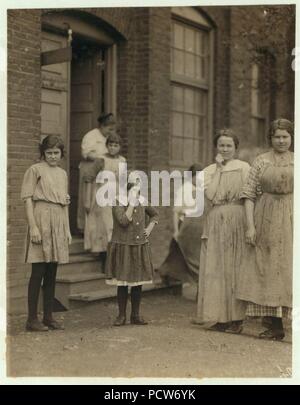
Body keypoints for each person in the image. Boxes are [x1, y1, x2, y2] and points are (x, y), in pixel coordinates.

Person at [237, 119, 293, 341]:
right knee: (268, 268)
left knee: (290, 267)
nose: (281, 141)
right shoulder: (260, 161)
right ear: (270, 138)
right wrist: (251, 226)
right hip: (266, 216)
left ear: (291, 138)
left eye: (285, 137)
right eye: (277, 136)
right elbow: (249, 195)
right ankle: (275, 326)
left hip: (291, 214)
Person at [195, 129, 250, 333]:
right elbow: (211, 195)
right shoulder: (209, 170)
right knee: (216, 269)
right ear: (216, 147)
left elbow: (249, 197)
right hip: (216, 220)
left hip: (237, 218)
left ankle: (237, 319)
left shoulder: (245, 168)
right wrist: (219, 169)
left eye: (229, 146)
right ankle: (220, 317)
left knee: (235, 267)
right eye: (221, 145)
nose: (225, 149)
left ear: (236, 148)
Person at [21, 135, 72, 332]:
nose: (52, 156)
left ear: (61, 154)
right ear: (43, 153)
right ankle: (32, 319)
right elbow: (27, 200)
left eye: (56, 153)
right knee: (38, 271)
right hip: (41, 218)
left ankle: (49, 317)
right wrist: (33, 226)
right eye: (49, 153)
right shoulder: (35, 170)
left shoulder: (62, 174)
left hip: (58, 221)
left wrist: (67, 229)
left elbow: (65, 202)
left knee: (52, 271)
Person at [105, 179, 159, 326]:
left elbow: (154, 215)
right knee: (122, 283)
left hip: (138, 245)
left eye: (138, 190)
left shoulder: (142, 201)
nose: (136, 193)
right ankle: (121, 315)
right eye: (132, 190)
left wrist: (148, 229)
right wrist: (131, 204)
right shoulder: (118, 202)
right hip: (123, 246)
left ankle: (135, 315)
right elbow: (123, 220)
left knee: (137, 282)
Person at [158, 163, 205, 285]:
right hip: (183, 223)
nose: (199, 179)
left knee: (182, 254)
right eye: (197, 176)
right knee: (177, 251)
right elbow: (176, 212)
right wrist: (176, 230)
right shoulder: (185, 189)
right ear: (191, 176)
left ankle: (170, 275)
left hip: (194, 227)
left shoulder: (201, 190)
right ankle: (167, 274)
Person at [82, 133, 126, 263]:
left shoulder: (122, 161)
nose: (113, 148)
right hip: (103, 196)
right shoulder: (101, 160)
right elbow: (88, 178)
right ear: (106, 146)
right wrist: (87, 200)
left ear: (120, 147)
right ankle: (104, 258)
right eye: (110, 145)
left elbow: (123, 182)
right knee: (104, 226)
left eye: (116, 145)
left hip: (117, 197)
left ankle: (114, 260)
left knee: (116, 226)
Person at [77, 113, 116, 231]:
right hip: (90, 168)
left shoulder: (108, 138)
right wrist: (101, 159)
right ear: (102, 126)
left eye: (112, 129)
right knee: (87, 198)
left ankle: (97, 229)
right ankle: (83, 228)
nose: (110, 131)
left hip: (102, 172)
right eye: (108, 129)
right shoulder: (91, 136)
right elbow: (86, 153)